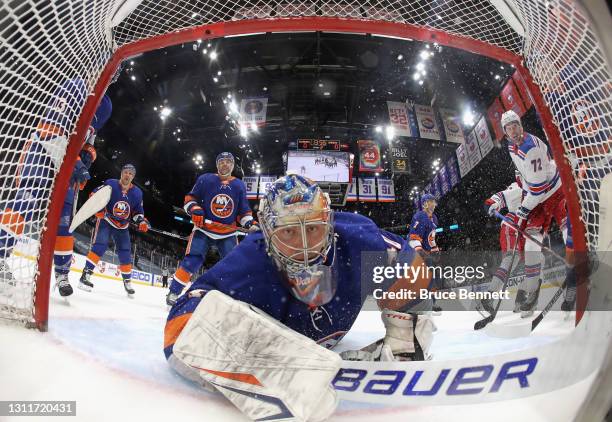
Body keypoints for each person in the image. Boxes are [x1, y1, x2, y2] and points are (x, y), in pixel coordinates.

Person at [163, 175, 434, 421]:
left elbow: (414, 268)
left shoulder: (357, 239)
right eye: (289, 231)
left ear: (329, 224)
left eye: (313, 228)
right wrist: (261, 366)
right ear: (267, 235)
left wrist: (405, 339)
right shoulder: (251, 259)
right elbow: (180, 326)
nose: (305, 246)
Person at [501, 110, 571, 317]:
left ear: (521, 125)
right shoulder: (511, 145)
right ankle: (532, 293)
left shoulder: (530, 149)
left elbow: (539, 189)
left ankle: (577, 279)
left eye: (515, 125)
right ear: (505, 132)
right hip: (537, 199)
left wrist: (522, 210)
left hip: (554, 192)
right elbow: (530, 185)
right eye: (508, 128)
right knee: (531, 245)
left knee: (569, 232)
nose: (513, 130)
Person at [165, 152, 255, 306]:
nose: (225, 164)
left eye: (228, 162)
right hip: (203, 229)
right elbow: (189, 199)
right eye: (221, 161)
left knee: (234, 264)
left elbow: (243, 212)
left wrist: (249, 224)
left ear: (233, 165)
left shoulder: (239, 185)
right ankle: (173, 292)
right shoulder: (205, 179)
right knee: (192, 261)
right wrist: (195, 209)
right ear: (217, 164)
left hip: (228, 233)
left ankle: (235, 297)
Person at [54, 95, 113, 297]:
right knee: (22, 211)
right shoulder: (76, 90)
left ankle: (62, 274)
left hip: (67, 172)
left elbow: (89, 140)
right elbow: (54, 134)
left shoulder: (105, 105)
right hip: (44, 162)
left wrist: (88, 155)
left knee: (65, 225)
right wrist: (78, 164)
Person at [77, 164, 150, 296]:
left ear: (133, 177)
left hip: (123, 226)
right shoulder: (110, 183)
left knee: (125, 253)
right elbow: (94, 195)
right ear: (121, 173)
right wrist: (98, 209)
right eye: (126, 172)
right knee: (100, 246)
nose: (128, 175)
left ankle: (127, 281)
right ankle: (86, 274)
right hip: (106, 220)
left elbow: (138, 211)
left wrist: (142, 221)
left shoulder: (138, 193)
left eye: (131, 174)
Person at [481, 171, 526, 314]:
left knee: (535, 262)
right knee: (511, 259)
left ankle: (521, 299)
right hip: (512, 226)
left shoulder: (535, 186)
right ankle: (490, 294)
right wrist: (491, 204)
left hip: (525, 229)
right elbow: (501, 197)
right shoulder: (517, 187)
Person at [407, 193, 441, 312]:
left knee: (431, 277)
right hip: (415, 251)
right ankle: (413, 303)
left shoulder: (434, 218)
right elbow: (414, 235)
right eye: (430, 201)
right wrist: (418, 249)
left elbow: (430, 237)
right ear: (425, 203)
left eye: (434, 201)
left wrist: (435, 249)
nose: (433, 204)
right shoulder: (420, 216)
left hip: (426, 252)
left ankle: (430, 303)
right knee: (419, 279)